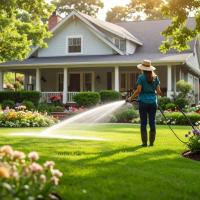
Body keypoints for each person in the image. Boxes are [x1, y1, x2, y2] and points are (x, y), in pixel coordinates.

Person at [128, 60, 162, 147]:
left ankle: (144, 143)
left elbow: (138, 90)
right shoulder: (156, 78)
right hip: (153, 103)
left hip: (143, 102)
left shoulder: (141, 78)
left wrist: (131, 98)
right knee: (152, 122)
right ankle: (151, 143)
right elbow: (158, 91)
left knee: (143, 123)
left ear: (143, 69)